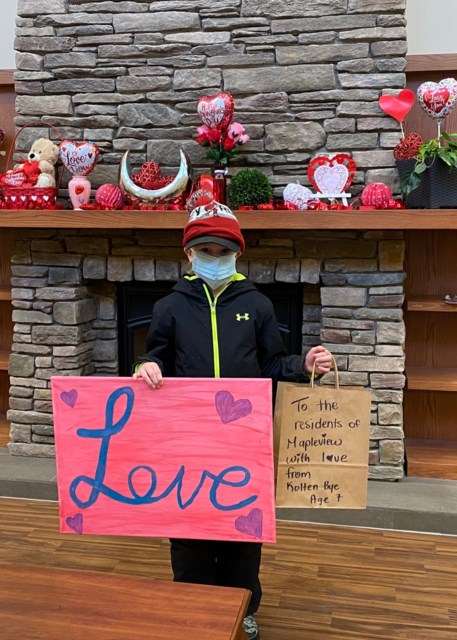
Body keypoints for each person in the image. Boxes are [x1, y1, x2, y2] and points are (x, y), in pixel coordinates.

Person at [133, 199, 333, 640]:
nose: (216, 260)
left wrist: (305, 363)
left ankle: (241, 607)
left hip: (246, 437)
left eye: (224, 252)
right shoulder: (170, 307)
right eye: (207, 252)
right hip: (187, 442)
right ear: (189, 254)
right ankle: (191, 607)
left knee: (242, 532)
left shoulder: (257, 304)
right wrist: (145, 367)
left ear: (238, 254)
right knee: (190, 531)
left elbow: (272, 365)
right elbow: (156, 356)